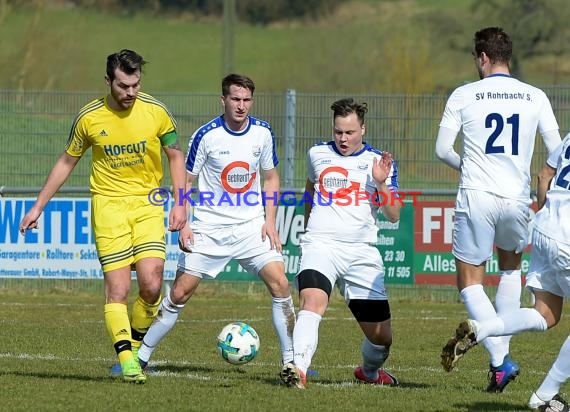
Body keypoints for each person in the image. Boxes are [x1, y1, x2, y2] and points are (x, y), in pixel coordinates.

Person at [19, 49, 187, 384]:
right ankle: (127, 362)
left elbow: (175, 155)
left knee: (153, 285)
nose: (130, 92)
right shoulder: (89, 118)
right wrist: (39, 206)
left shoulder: (156, 111)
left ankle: (135, 348)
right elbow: (67, 161)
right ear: (108, 80)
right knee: (118, 289)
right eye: (123, 85)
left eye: (136, 84)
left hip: (148, 205)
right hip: (108, 207)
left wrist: (180, 202)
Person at [137, 73, 296, 370]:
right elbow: (186, 179)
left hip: (251, 227)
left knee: (281, 283)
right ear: (223, 100)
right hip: (209, 229)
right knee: (180, 292)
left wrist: (270, 221)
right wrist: (184, 221)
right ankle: (141, 358)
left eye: (247, 99)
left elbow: (271, 177)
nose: (241, 105)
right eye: (235, 99)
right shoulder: (206, 135)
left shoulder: (262, 132)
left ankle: (293, 363)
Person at [435, 27, 562, 392]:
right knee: (510, 268)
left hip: (477, 195)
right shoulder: (535, 96)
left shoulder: (464, 94)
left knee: (469, 280)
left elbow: (442, 149)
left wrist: (469, 166)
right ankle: (499, 364)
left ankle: (499, 361)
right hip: (517, 197)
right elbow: (556, 150)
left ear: (483, 58)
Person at [441, 132, 570, 411]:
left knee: (546, 314)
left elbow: (544, 175)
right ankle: (545, 396)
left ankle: (484, 327)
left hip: (547, 226)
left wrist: (553, 216)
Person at [279, 98, 401, 389]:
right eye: (338, 132)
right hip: (320, 246)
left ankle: (370, 372)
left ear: (363, 129)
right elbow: (310, 189)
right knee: (312, 301)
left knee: (381, 336)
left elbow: (394, 215)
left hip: (361, 253)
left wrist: (381, 184)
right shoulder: (317, 154)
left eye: (350, 132)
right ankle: (299, 371)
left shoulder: (378, 163)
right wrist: (310, 228)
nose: (343, 139)